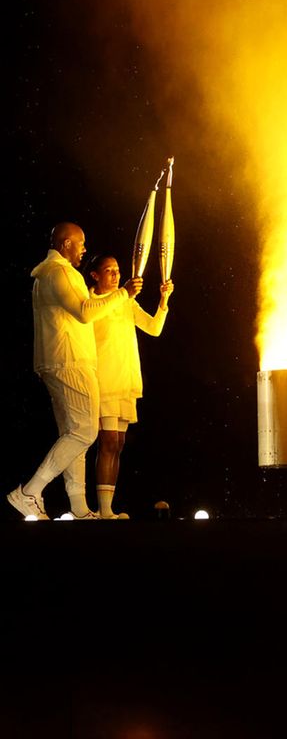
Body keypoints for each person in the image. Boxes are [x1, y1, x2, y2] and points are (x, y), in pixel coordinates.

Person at [8, 223, 142, 520]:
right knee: (84, 432)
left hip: (56, 360)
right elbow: (85, 311)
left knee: (73, 434)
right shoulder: (60, 272)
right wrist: (123, 294)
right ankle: (30, 492)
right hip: (70, 362)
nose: (84, 248)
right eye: (81, 243)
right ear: (67, 243)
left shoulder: (46, 275)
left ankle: (79, 507)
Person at [86, 254, 173, 518]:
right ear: (95, 275)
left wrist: (163, 299)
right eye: (108, 270)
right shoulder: (90, 303)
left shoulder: (126, 302)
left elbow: (154, 328)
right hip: (104, 379)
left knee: (119, 443)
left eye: (117, 269)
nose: (115, 274)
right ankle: (103, 511)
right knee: (108, 441)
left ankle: (107, 510)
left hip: (126, 379)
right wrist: (124, 293)